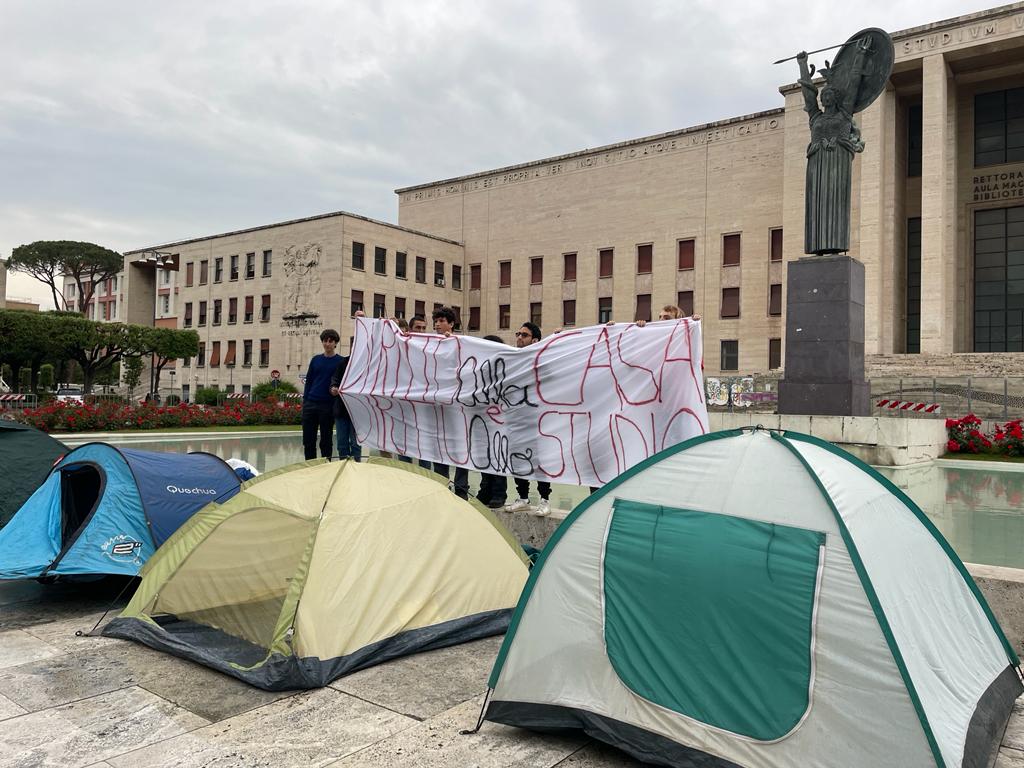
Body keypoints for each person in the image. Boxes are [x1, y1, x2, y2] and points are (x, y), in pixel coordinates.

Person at [503, 321, 552, 516]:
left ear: (535, 340)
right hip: (516, 419)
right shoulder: (512, 360)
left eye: (524, 335)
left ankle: (544, 499)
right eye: (518, 334)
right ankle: (523, 497)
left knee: (539, 461)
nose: (519, 338)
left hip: (537, 420)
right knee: (517, 458)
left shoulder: (542, 362)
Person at [429, 306, 470, 499]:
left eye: (441, 321)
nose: (437, 324)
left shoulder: (462, 344)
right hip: (438, 405)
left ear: (451, 324)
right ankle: (442, 487)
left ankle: (461, 490)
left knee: (460, 447)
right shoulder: (429, 344)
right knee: (439, 447)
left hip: (457, 406)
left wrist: (452, 343)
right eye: (435, 321)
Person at [475, 335, 509, 509]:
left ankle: (499, 492)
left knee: (498, 453)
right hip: (482, 416)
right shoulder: (480, 371)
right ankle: (485, 488)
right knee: (484, 453)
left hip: (499, 419)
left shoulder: (505, 370)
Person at [301, 328, 340, 460]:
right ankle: (310, 466)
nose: (327, 344)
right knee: (308, 440)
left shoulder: (340, 361)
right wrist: (305, 402)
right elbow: (309, 381)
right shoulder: (316, 360)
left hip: (328, 405)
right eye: (325, 341)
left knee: (326, 440)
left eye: (330, 341)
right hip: (310, 404)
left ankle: (326, 465)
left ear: (335, 343)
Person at [329, 351, 361, 461]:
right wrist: (333, 388)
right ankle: (343, 466)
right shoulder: (343, 362)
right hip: (341, 410)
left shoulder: (365, 363)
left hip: (357, 411)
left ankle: (356, 467)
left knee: (356, 444)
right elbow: (335, 380)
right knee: (342, 443)